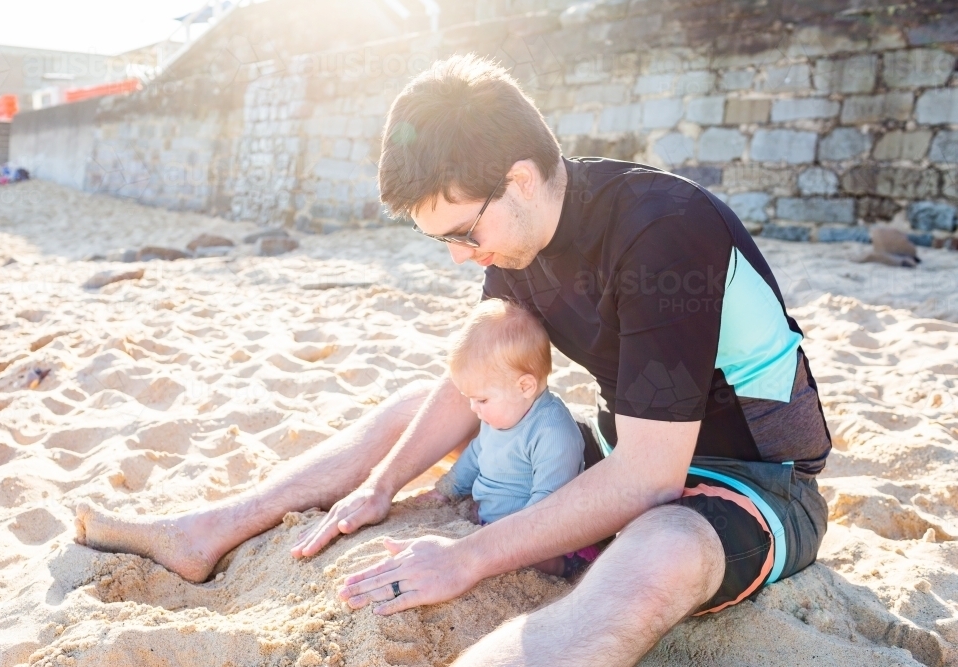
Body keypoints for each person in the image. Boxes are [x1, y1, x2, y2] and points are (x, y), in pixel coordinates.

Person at [75, 53, 831, 666]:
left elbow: (650, 476)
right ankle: (207, 531)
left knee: (661, 549)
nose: (466, 255)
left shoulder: (664, 230)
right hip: (627, 440)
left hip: (751, 482)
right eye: (445, 241)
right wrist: (381, 485)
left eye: (465, 232)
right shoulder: (518, 239)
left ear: (521, 179)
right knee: (433, 400)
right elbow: (472, 374)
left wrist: (467, 556)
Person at [427, 298, 595, 579]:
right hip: (493, 520)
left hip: (540, 535)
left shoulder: (553, 433)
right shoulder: (500, 414)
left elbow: (548, 504)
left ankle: (563, 569)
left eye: (481, 399)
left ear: (525, 386)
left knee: (540, 560)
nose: (473, 408)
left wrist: (508, 540)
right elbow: (475, 454)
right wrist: (447, 489)